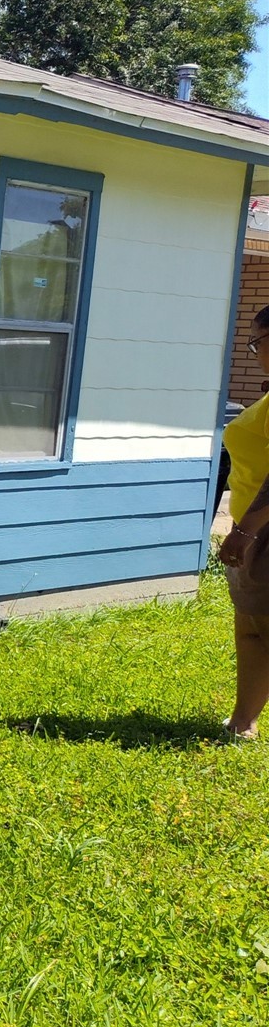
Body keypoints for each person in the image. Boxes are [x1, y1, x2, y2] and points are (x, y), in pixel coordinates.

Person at [216, 306, 269, 738]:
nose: (254, 352)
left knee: (262, 631)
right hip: (252, 530)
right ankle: (242, 722)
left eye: (256, 342)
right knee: (251, 630)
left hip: (261, 533)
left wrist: (244, 531)